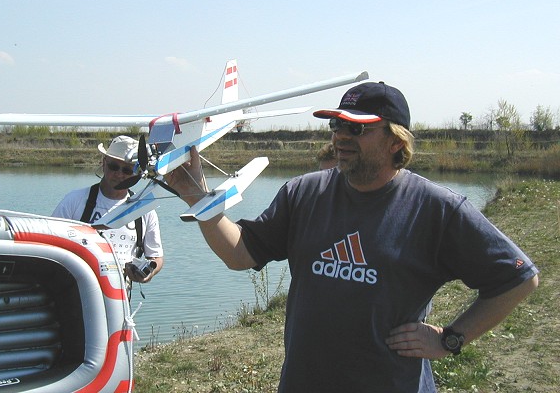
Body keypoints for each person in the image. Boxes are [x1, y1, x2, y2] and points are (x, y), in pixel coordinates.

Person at [166, 81, 539, 392]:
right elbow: (239, 254)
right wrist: (197, 196)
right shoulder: (303, 193)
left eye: (356, 128)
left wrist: (449, 338)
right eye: (336, 126)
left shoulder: (436, 208)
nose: (341, 137)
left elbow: (517, 277)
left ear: (396, 141)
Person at [52, 135, 163, 283]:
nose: (119, 174)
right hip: (75, 289)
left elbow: (156, 256)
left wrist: (148, 273)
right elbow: (51, 243)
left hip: (120, 295)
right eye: (113, 167)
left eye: (127, 170)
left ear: (137, 172)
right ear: (104, 163)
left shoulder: (145, 209)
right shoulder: (74, 200)